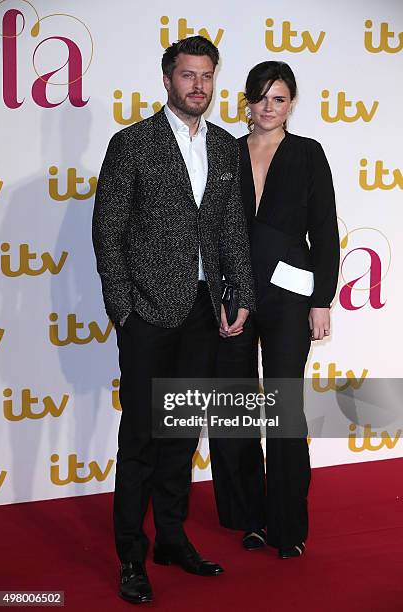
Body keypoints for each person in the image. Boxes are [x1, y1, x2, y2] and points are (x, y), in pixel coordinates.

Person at [92, 36, 254, 604]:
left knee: (181, 436)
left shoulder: (229, 148)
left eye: (207, 76)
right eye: (188, 75)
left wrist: (241, 294)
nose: (199, 86)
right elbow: (107, 233)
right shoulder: (132, 143)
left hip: (203, 314)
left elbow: (231, 229)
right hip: (147, 316)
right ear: (167, 80)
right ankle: (132, 557)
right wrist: (123, 310)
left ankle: (172, 539)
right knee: (139, 437)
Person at [209, 61, 340, 559]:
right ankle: (251, 517)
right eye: (262, 97)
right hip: (235, 295)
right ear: (248, 101)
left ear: (291, 104)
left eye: (279, 98)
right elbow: (214, 230)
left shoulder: (308, 154)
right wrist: (220, 294)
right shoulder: (225, 153)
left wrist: (321, 300)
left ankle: (288, 525)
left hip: (290, 299)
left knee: (285, 409)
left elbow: (325, 232)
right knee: (234, 408)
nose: (269, 106)